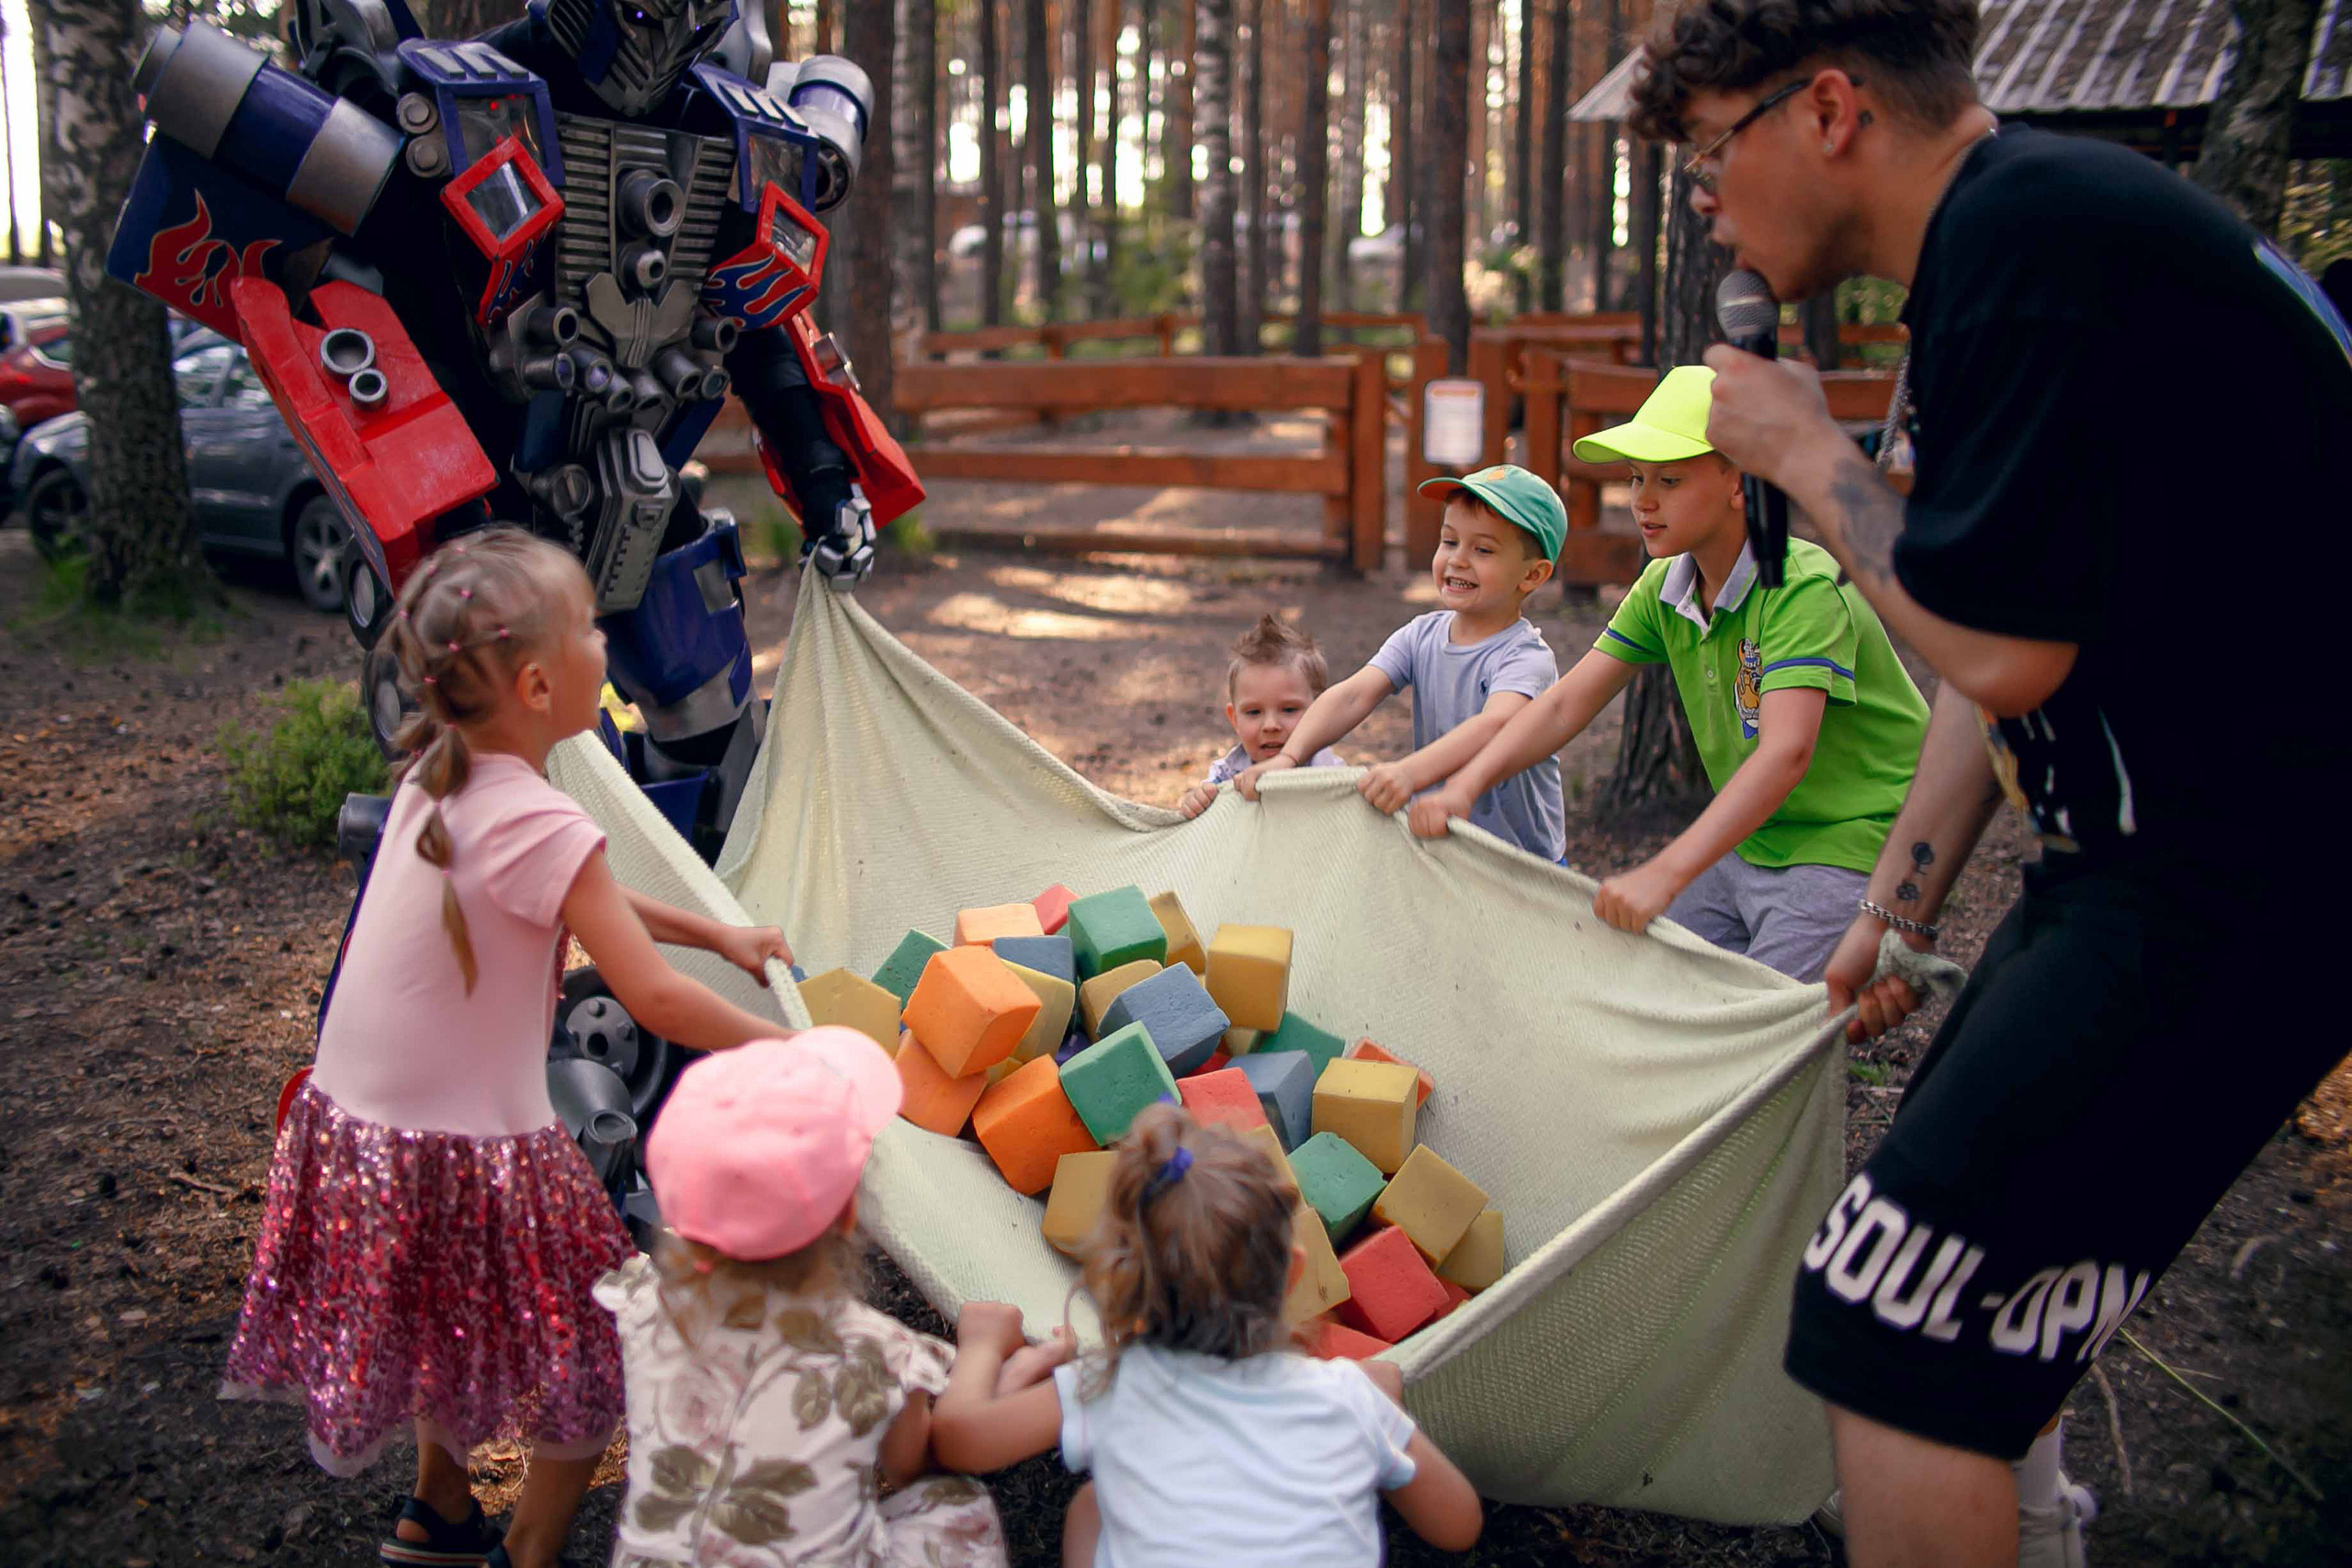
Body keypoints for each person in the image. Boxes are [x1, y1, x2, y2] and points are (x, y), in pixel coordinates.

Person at [1627, 2, 2352, 1565]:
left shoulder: (2030, 238)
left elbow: (2005, 645)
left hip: (2241, 870)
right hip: (2154, 863)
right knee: (1973, 1300)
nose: (1700, 197)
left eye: (1706, 149)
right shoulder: (2012, 249)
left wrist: (1813, 465)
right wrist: (1897, 905)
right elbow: (1994, 646)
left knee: (1893, 1316)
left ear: (1828, 111)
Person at [222, 528, 798, 1568]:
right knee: (599, 1355)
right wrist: (794, 1052)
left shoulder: (436, 781)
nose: (602, 641)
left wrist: (718, 930)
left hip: (364, 1136)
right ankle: (527, 1555)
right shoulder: (544, 821)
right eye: (588, 628)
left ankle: (438, 1511)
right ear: (538, 684)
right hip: (470, 1147)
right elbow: (657, 1000)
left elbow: (581, 898)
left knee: (446, 1323)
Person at [1408, 366, 1927, 982]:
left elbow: (1786, 754)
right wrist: (1465, 786)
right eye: (1636, 478)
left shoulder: (1800, 588)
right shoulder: (1664, 584)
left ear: (1739, 481)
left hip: (1857, 844)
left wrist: (1666, 869)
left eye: (1670, 479)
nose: (1642, 500)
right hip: (1757, 840)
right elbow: (1562, 706)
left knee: (1761, 1030)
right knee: (1633, 983)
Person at [927, 1104, 1485, 1566]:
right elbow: (1458, 1526)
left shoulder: (1112, 1386)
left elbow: (958, 1438)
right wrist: (1376, 1406)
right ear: (1293, 1274)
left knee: (1090, 1509)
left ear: (1119, 1283)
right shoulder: (1348, 1396)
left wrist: (981, 1345)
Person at [599, 1029, 1066, 1568]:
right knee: (956, 1507)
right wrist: (982, 1351)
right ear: (848, 1215)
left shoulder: (642, 1304)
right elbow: (920, 1465)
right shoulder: (869, 1354)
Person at [1238, 465, 1568, 863]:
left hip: (1521, 859)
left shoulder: (1525, 657)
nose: (1458, 560)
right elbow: (1355, 694)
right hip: (1443, 842)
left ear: (1532, 575)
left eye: (1483, 550)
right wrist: (1288, 758)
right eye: (1449, 541)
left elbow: (1495, 725)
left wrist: (1409, 774)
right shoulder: (1421, 634)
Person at [1179, 615, 1346, 819]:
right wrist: (1195, 801)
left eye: (1289, 709)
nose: (1270, 726)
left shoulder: (1336, 779)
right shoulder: (1225, 777)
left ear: (1319, 711)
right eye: (1254, 712)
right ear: (1234, 719)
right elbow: (1201, 812)